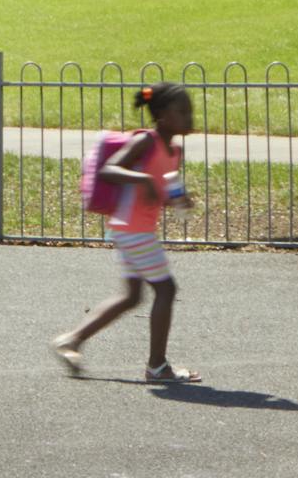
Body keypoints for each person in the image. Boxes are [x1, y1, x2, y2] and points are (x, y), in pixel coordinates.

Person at [53, 82, 195, 385]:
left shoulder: (174, 151)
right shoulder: (147, 141)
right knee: (166, 290)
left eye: (190, 110)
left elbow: (159, 193)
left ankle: (71, 341)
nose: (189, 116)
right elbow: (109, 169)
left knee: (131, 296)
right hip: (132, 229)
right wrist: (141, 179)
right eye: (181, 111)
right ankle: (157, 366)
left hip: (136, 228)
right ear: (161, 116)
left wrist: (177, 200)